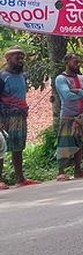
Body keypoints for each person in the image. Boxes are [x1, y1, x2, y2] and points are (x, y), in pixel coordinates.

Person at [0, 45, 38, 187]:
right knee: (1, 147)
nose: (21, 60)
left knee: (18, 147)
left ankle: (20, 179)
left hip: (19, 115)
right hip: (4, 116)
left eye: (22, 58)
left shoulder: (22, 76)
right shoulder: (2, 77)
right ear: (8, 59)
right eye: (17, 58)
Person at [54, 53, 83, 181]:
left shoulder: (81, 78)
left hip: (80, 117)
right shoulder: (61, 79)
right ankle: (61, 171)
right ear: (66, 62)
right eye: (75, 62)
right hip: (68, 116)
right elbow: (66, 95)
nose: (77, 65)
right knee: (65, 143)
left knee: (81, 143)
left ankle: (78, 170)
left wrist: (78, 91)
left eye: (78, 62)